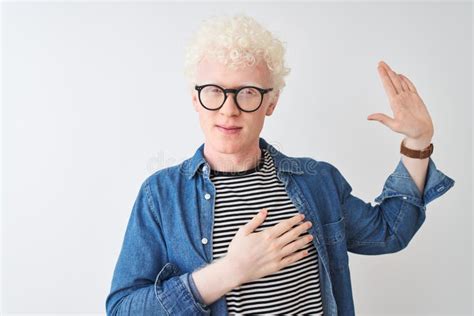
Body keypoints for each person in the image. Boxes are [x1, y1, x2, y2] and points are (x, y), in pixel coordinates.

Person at [105, 14, 455, 316]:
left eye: (248, 92)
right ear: (195, 98)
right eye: (214, 91)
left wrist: (417, 143)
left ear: (270, 102)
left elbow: (388, 232)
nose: (229, 109)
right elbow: (123, 308)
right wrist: (229, 271)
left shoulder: (317, 181)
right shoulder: (161, 195)